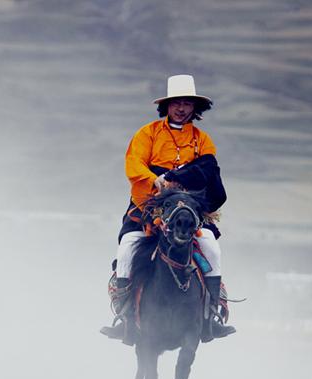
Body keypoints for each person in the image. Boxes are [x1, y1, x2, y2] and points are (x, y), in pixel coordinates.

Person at [101, 74, 236, 345]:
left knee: (210, 245)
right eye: (177, 103)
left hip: (189, 212)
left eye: (187, 103)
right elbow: (134, 164)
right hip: (149, 208)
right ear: (167, 105)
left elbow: (210, 172)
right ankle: (125, 316)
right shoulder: (147, 134)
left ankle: (211, 314)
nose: (182, 108)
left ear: (195, 108)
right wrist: (156, 180)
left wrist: (180, 177)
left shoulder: (202, 140)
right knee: (128, 245)